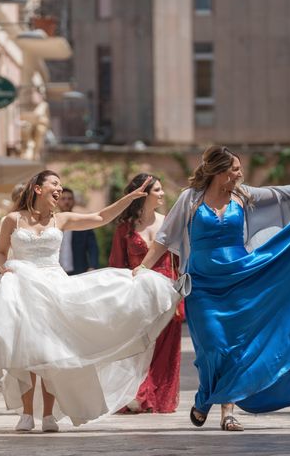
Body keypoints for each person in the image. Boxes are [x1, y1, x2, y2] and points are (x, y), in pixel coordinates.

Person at [134, 146, 290, 431]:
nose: (240, 174)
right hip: (203, 285)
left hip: (240, 279)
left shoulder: (242, 195)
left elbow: (281, 194)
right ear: (219, 171)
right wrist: (143, 267)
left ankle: (226, 411)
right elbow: (165, 237)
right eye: (235, 169)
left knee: (234, 347)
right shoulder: (190, 199)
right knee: (213, 346)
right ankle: (206, 396)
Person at [0, 170, 181, 432]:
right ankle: (26, 413)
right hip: (20, 289)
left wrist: (130, 198)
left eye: (61, 185)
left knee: (52, 352)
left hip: (53, 288)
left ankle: (48, 415)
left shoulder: (61, 220)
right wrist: (6, 270)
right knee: (26, 351)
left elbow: (101, 217)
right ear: (38, 188)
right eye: (55, 184)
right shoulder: (12, 220)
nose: (60, 189)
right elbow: (0, 254)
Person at [109, 174, 184, 413]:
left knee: (167, 346)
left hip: (167, 291)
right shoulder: (125, 228)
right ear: (144, 194)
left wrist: (181, 291)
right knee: (140, 345)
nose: (162, 194)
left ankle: (156, 397)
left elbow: (180, 260)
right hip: (137, 294)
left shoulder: (170, 223)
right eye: (158, 190)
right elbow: (117, 264)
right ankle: (136, 392)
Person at [57, 187, 99, 274]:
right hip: (56, 271)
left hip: (79, 271)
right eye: (63, 199)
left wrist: (93, 266)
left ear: (74, 201)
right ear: (57, 202)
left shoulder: (82, 222)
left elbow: (92, 247)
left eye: (69, 199)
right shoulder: (50, 223)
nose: (66, 202)